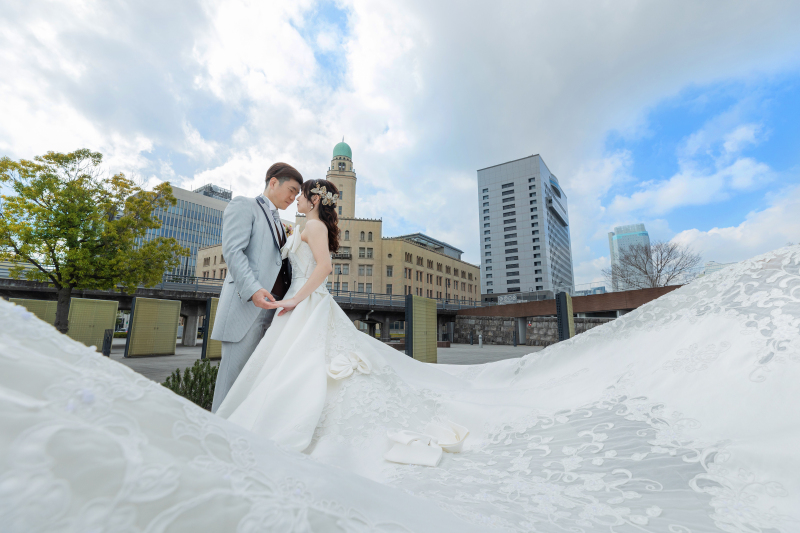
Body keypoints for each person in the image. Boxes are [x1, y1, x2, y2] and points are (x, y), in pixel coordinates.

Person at [209, 162, 302, 413]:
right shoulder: (244, 205)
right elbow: (232, 251)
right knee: (231, 383)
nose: (293, 198)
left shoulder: (280, 221)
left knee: (254, 384)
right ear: (273, 182)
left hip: (273, 311)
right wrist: (252, 289)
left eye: (297, 194)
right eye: (291, 190)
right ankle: (217, 437)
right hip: (247, 307)